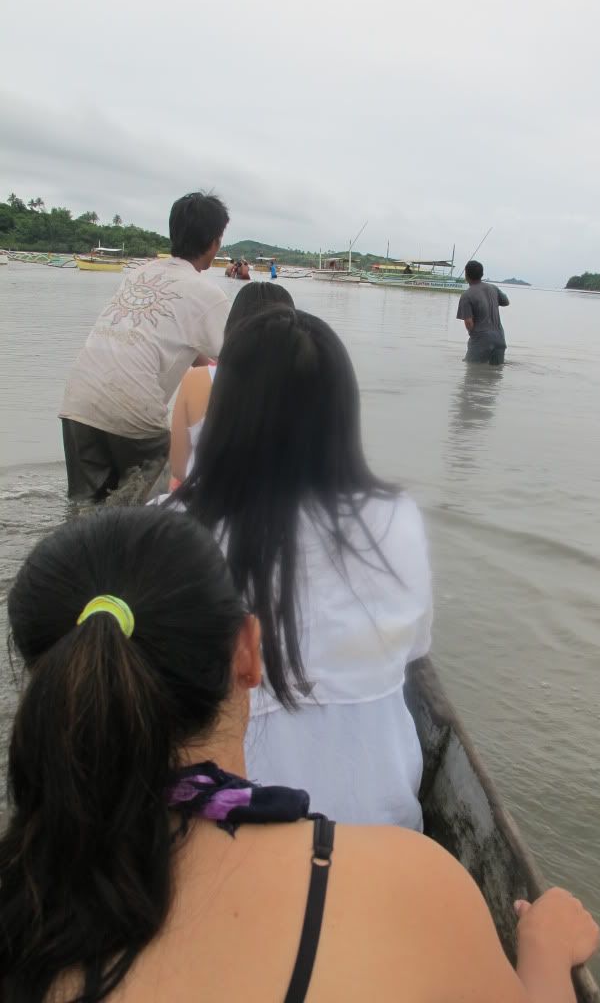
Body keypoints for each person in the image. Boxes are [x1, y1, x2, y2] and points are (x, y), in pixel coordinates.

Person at [2, 506, 600, 1003]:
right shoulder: (412, 887)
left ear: (50, 682)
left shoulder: (22, 898)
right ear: (248, 654)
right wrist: (544, 955)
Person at [172, 307, 430, 828]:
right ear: (341, 417)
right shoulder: (396, 516)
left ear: (227, 413)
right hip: (385, 823)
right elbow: (415, 648)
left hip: (244, 830)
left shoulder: (173, 529)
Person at [59, 192, 230, 501]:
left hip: (78, 404)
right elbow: (237, 361)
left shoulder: (139, 272)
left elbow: (181, 348)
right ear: (215, 242)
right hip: (133, 414)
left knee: (87, 512)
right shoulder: (208, 294)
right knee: (150, 509)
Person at [169, 282, 295, 485]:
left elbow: (179, 469)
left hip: (207, 504)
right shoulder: (307, 383)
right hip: (277, 507)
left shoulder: (197, 380)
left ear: (232, 326)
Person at [456, 259, 510, 365]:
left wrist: (474, 337)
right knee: (494, 375)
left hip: (481, 340)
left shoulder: (466, 295)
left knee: (472, 373)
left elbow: (469, 323)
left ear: (466, 275)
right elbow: (506, 302)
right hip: (500, 339)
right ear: (482, 274)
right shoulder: (493, 288)